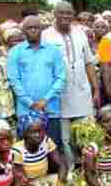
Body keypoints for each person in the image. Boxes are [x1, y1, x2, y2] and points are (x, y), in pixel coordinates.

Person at [41, 1, 100, 169]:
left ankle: (89, 169)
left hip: (82, 91)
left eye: (69, 13)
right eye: (62, 13)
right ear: (55, 14)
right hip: (60, 95)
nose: (65, 16)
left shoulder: (81, 33)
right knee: (65, 138)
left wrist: (96, 89)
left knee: (87, 133)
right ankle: (71, 171)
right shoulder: (46, 35)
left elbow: (89, 62)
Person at [15, 111, 86, 186]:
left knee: (71, 177)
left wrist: (60, 184)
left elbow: (62, 164)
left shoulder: (46, 141)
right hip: (29, 185)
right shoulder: (17, 150)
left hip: (44, 180)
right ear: (24, 133)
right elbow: (22, 181)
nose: (37, 135)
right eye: (32, 132)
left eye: (40, 131)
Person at [6, 15, 67, 148]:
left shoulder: (54, 51)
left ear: (41, 29)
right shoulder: (15, 52)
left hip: (50, 110)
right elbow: (14, 80)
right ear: (23, 31)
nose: (33, 30)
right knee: (27, 152)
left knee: (53, 148)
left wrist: (45, 100)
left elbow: (61, 77)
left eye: (36, 28)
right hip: (26, 112)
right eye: (29, 28)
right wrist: (31, 103)